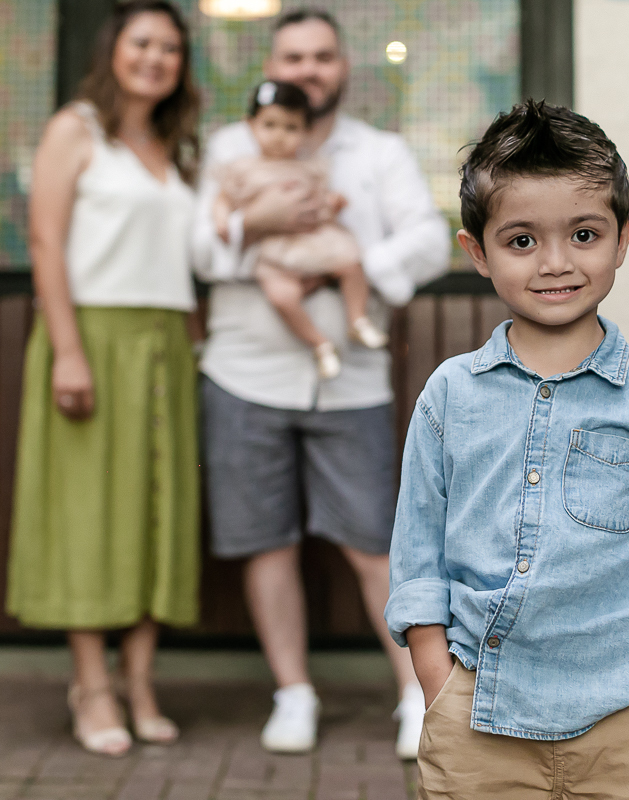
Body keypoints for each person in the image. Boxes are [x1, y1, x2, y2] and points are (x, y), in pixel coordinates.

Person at [385, 101, 629, 798]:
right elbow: (418, 551)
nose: (556, 263)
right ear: (476, 251)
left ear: (623, 239)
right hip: (479, 716)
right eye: (521, 241)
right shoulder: (450, 395)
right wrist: (437, 682)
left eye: (585, 234)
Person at [191, 8, 451, 758]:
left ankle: (414, 697)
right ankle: (293, 694)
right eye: (294, 57)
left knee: (376, 544)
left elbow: (430, 239)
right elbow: (200, 250)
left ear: (342, 69)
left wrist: (347, 273)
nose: (309, 69)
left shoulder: (380, 152)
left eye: (322, 57)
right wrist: (257, 227)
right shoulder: (229, 150)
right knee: (263, 543)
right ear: (273, 66)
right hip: (243, 373)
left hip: (353, 382)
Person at [6, 0, 201, 758]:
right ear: (113, 50)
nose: (155, 57)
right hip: (92, 335)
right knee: (90, 513)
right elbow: (45, 241)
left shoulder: (174, 147)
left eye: (170, 48)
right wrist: (68, 350)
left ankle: (140, 683)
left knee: (156, 514)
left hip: (165, 348)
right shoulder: (74, 130)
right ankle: (91, 684)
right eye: (142, 42)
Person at [213, 80, 388, 380]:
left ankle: (357, 318)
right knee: (282, 296)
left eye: (291, 128)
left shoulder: (310, 167)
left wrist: (333, 204)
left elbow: (321, 199)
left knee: (350, 262)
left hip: (313, 240)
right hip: (275, 251)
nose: (279, 136)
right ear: (250, 126)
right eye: (270, 125)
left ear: (306, 131)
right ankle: (319, 343)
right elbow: (224, 199)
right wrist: (225, 222)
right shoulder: (243, 169)